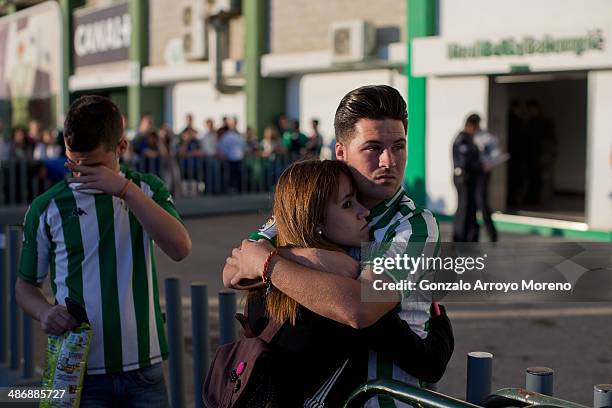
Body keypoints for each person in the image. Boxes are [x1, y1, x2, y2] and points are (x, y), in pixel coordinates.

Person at [224, 85, 452, 407]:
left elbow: (361, 308)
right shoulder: (318, 201)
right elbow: (233, 271)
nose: (389, 161)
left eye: (398, 147)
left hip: (385, 400)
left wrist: (272, 262)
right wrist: (316, 258)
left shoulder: (413, 224)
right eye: (373, 147)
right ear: (341, 152)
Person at [15, 95, 192, 407]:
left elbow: (180, 248)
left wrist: (125, 190)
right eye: (74, 164)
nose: (83, 174)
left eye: (96, 165)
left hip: (143, 368)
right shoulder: (46, 207)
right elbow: (25, 287)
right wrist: (45, 312)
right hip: (79, 370)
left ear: (121, 148)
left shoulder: (146, 189)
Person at [452, 114, 482, 242]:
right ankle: (459, 238)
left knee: (470, 207)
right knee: (463, 208)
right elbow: (464, 162)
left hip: (468, 178)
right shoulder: (462, 140)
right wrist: (479, 164)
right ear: (471, 126)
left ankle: (469, 237)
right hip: (463, 178)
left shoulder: (469, 139)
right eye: (477, 127)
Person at [473, 119, 499, 243]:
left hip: (483, 173)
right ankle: (474, 233)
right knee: (472, 204)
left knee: (482, 202)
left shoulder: (486, 137)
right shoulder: (469, 136)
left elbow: (495, 154)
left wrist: (488, 163)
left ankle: (491, 232)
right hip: (473, 174)